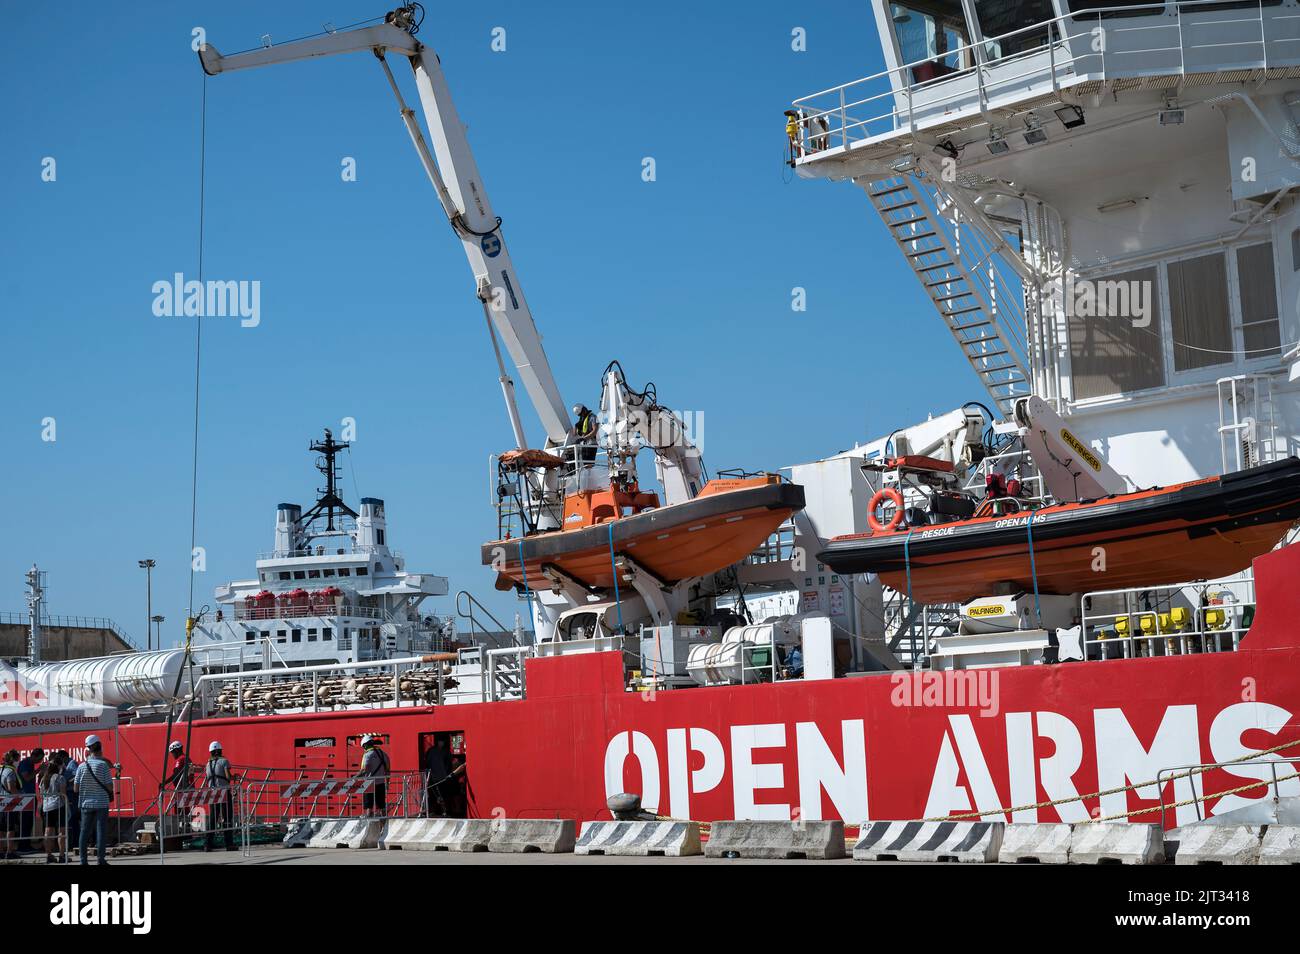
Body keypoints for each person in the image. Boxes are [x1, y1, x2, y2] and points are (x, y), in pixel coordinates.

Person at [73, 735, 114, 866]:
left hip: (85, 803)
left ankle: (83, 861)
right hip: (101, 803)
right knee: (101, 831)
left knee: (84, 832)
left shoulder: (81, 766)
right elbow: (109, 786)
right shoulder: (103, 765)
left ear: (88, 749)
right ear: (100, 747)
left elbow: (75, 788)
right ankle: (100, 860)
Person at [203, 741, 237, 852]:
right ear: (218, 751)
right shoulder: (224, 761)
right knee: (227, 818)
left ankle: (208, 844)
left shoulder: (208, 764)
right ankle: (229, 844)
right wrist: (234, 777)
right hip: (224, 793)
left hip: (213, 794)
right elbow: (228, 776)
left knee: (213, 819)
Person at [423, 738, 465, 817]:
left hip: (439, 777)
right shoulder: (442, 751)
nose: (442, 743)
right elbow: (448, 763)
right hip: (439, 777)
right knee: (439, 795)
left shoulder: (434, 751)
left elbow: (428, 762)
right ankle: (440, 811)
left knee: (441, 795)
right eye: (441, 741)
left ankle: (443, 811)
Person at [39, 753, 68, 864]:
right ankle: (61, 855)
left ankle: (48, 854)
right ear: (58, 767)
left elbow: (41, 794)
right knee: (61, 831)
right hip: (58, 806)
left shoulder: (43, 779)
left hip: (46, 807)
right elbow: (63, 793)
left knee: (48, 831)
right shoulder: (60, 778)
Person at [16, 747, 42, 852]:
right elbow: (26, 778)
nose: (39, 761)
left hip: (30, 796)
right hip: (25, 796)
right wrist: (38, 770)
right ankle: (23, 846)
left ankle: (26, 844)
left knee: (29, 822)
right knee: (25, 821)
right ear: (34, 756)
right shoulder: (25, 763)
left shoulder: (30, 764)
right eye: (39, 759)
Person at [357, 735, 390, 817]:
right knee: (382, 806)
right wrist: (387, 783)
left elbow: (363, 770)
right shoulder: (384, 754)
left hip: (369, 784)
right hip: (381, 783)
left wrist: (354, 778)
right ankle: (384, 825)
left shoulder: (367, 755)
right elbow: (388, 771)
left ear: (365, 745)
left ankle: (369, 823)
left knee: (369, 807)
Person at [0, 750, 20, 861]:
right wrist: (19, 796)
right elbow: (11, 787)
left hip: (0, 802)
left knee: (1, 828)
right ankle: (10, 851)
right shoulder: (9, 772)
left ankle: (1, 851)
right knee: (10, 827)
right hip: (9, 802)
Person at [59, 751, 80, 852]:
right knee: (70, 819)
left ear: (64, 757)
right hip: (68, 794)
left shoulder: (72, 763)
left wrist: (67, 782)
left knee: (73, 818)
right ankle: (72, 842)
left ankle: (75, 842)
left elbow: (77, 777)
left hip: (72, 794)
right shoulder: (66, 765)